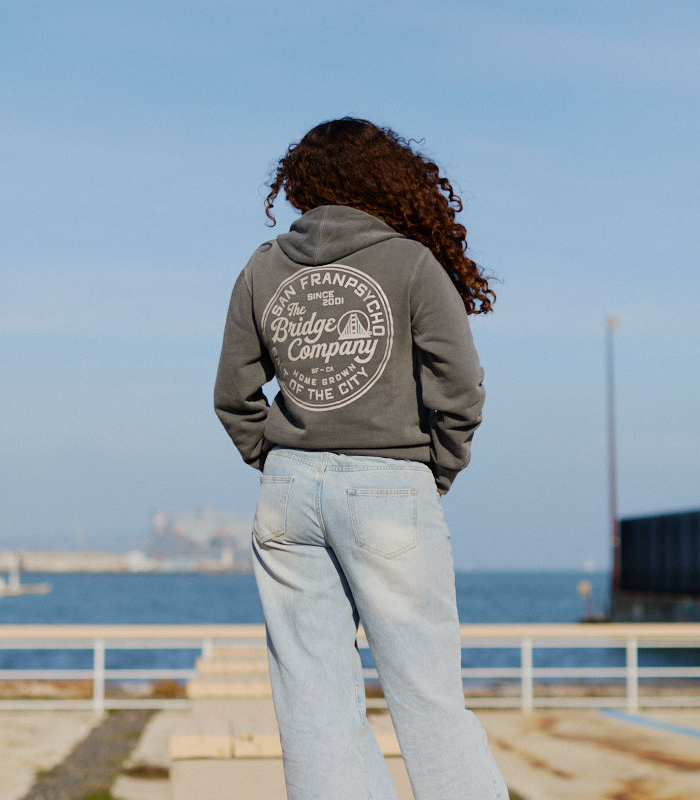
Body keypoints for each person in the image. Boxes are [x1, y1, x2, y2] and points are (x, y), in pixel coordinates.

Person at [214, 117, 509, 800]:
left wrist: (279, 463)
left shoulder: (263, 268)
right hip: (390, 487)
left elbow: (233, 394)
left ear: (300, 185)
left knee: (312, 708)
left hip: (288, 492)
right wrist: (434, 471)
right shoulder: (411, 264)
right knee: (428, 700)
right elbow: (460, 388)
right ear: (387, 179)